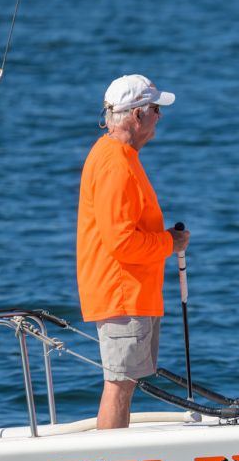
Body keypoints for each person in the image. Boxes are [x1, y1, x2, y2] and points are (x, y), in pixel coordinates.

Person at [77, 74, 189, 429]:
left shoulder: (119, 156)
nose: (160, 116)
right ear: (137, 115)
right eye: (155, 109)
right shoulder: (115, 164)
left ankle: (113, 455)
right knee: (119, 385)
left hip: (130, 292)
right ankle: (108, 458)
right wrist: (170, 243)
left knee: (124, 384)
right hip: (122, 294)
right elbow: (121, 242)